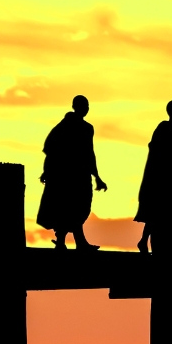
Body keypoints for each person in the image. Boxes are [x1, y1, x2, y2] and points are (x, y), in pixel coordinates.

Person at [36, 95, 108, 250]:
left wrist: (97, 177)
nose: (87, 108)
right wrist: (47, 171)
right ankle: (74, 242)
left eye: (88, 105)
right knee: (71, 207)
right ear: (77, 106)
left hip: (77, 174)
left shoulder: (82, 127)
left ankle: (65, 241)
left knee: (75, 208)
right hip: (69, 175)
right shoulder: (70, 126)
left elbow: (89, 153)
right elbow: (52, 149)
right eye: (85, 105)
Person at [133, 99, 172, 253]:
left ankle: (153, 242)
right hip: (162, 176)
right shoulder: (165, 128)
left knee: (163, 213)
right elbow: (164, 152)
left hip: (171, 175)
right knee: (157, 212)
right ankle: (144, 241)